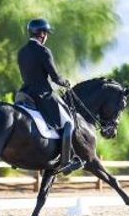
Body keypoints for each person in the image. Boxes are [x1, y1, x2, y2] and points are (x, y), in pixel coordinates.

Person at [17, 18, 83, 175]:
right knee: (68, 123)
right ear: (41, 34)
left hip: (24, 93)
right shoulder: (43, 51)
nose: (46, 36)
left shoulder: (22, 51)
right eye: (46, 33)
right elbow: (55, 78)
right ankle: (66, 162)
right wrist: (65, 82)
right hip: (42, 94)